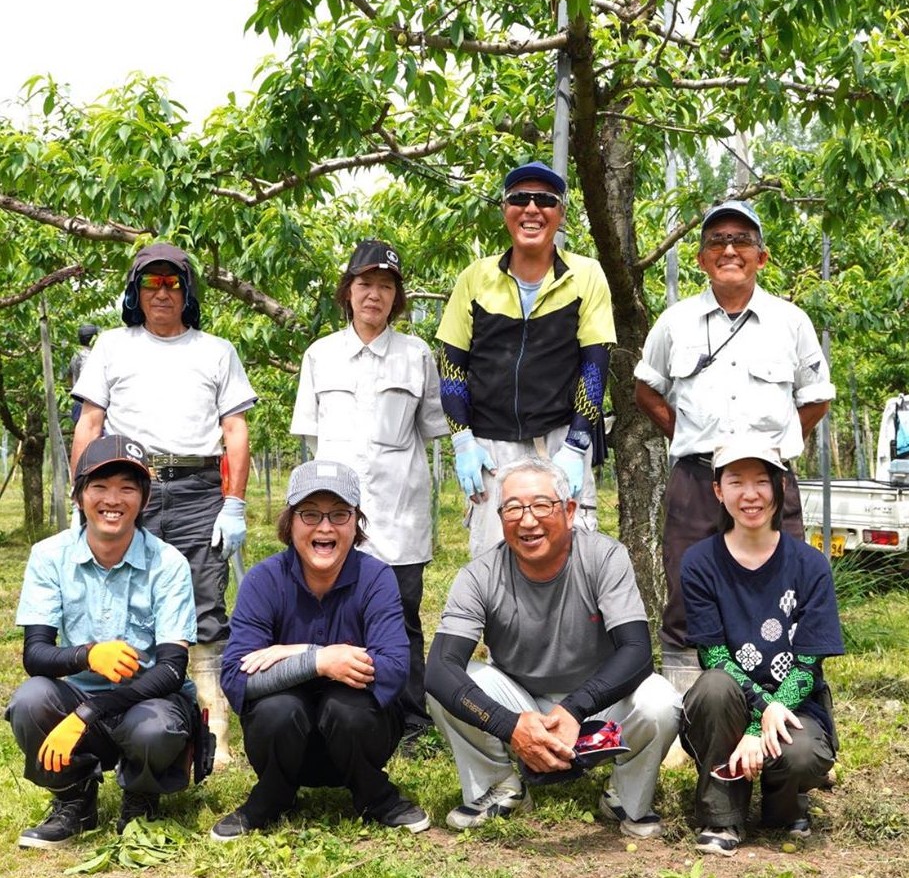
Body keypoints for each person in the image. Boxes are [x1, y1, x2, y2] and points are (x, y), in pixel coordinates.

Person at [633, 200, 835, 688]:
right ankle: (688, 706)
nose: (729, 249)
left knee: (781, 583)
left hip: (769, 482)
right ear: (702, 259)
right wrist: (685, 436)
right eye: (717, 241)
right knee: (686, 586)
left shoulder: (791, 322)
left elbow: (817, 398)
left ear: (761, 258)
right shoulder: (675, 322)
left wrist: (776, 450)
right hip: (697, 478)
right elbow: (646, 387)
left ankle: (785, 697)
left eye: (741, 240)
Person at [70, 242, 257, 765]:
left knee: (203, 601)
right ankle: (118, 713)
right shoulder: (111, 346)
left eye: (172, 283)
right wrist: (78, 495)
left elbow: (235, 429)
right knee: (124, 594)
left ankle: (211, 721)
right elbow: (90, 423)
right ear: (136, 291)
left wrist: (234, 503)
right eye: (151, 282)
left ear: (187, 291)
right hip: (127, 485)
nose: (162, 292)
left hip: (198, 487)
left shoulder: (216, 350)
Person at [425, 457, 681, 837]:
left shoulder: (605, 557)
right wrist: (510, 725)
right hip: (521, 704)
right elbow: (439, 668)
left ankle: (624, 797)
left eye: (542, 505)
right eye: (513, 508)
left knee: (659, 699)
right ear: (500, 516)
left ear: (570, 510)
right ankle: (499, 786)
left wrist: (575, 708)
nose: (527, 520)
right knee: (448, 685)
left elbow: (636, 651)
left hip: (597, 703)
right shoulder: (479, 575)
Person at [211, 460, 430, 840]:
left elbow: (395, 668)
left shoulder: (375, 577)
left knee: (344, 707)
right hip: (282, 743)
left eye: (339, 514)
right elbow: (234, 679)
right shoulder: (264, 580)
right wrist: (319, 659)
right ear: (290, 522)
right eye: (310, 514)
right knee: (278, 709)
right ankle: (273, 795)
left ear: (356, 522)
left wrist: (291, 653)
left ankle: (373, 794)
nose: (324, 527)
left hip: (360, 736)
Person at [6, 435, 199, 849]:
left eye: (128, 488)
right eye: (99, 486)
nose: (113, 499)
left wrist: (86, 714)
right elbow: (36, 655)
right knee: (30, 700)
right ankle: (74, 800)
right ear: (78, 496)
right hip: (80, 692)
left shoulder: (168, 564)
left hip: (149, 698)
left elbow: (171, 670)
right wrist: (88, 654)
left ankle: (142, 796)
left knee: (156, 727)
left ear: (144, 500)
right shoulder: (49, 556)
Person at [290, 239, 448, 740]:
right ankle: (344, 712)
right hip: (332, 515)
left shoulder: (417, 355)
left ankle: (411, 720)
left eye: (385, 286)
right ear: (348, 291)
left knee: (402, 615)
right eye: (365, 284)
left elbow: (432, 427)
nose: (374, 295)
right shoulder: (320, 355)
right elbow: (313, 438)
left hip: (399, 510)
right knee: (335, 609)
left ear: (397, 297)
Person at [437, 161, 616, 557]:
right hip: (489, 448)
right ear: (505, 211)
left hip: (558, 441)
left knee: (572, 560)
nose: (532, 208)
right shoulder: (475, 278)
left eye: (546, 200)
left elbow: (595, 362)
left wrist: (576, 445)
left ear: (561, 214)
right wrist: (462, 439)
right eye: (519, 198)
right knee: (492, 563)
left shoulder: (586, 275)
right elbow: (450, 366)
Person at [679, 440, 844, 856]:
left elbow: (807, 666)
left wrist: (762, 726)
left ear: (780, 486)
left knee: (802, 754)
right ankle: (722, 816)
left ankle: (783, 803)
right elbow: (713, 657)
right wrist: (757, 715)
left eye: (760, 482)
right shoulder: (700, 562)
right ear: (718, 491)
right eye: (736, 482)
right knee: (714, 686)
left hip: (796, 703)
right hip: (728, 702)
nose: (749, 495)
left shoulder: (810, 564)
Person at [69, 324, 98, 423]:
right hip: (88, 406)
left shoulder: (76, 354)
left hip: (78, 403)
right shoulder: (90, 356)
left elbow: (69, 377)